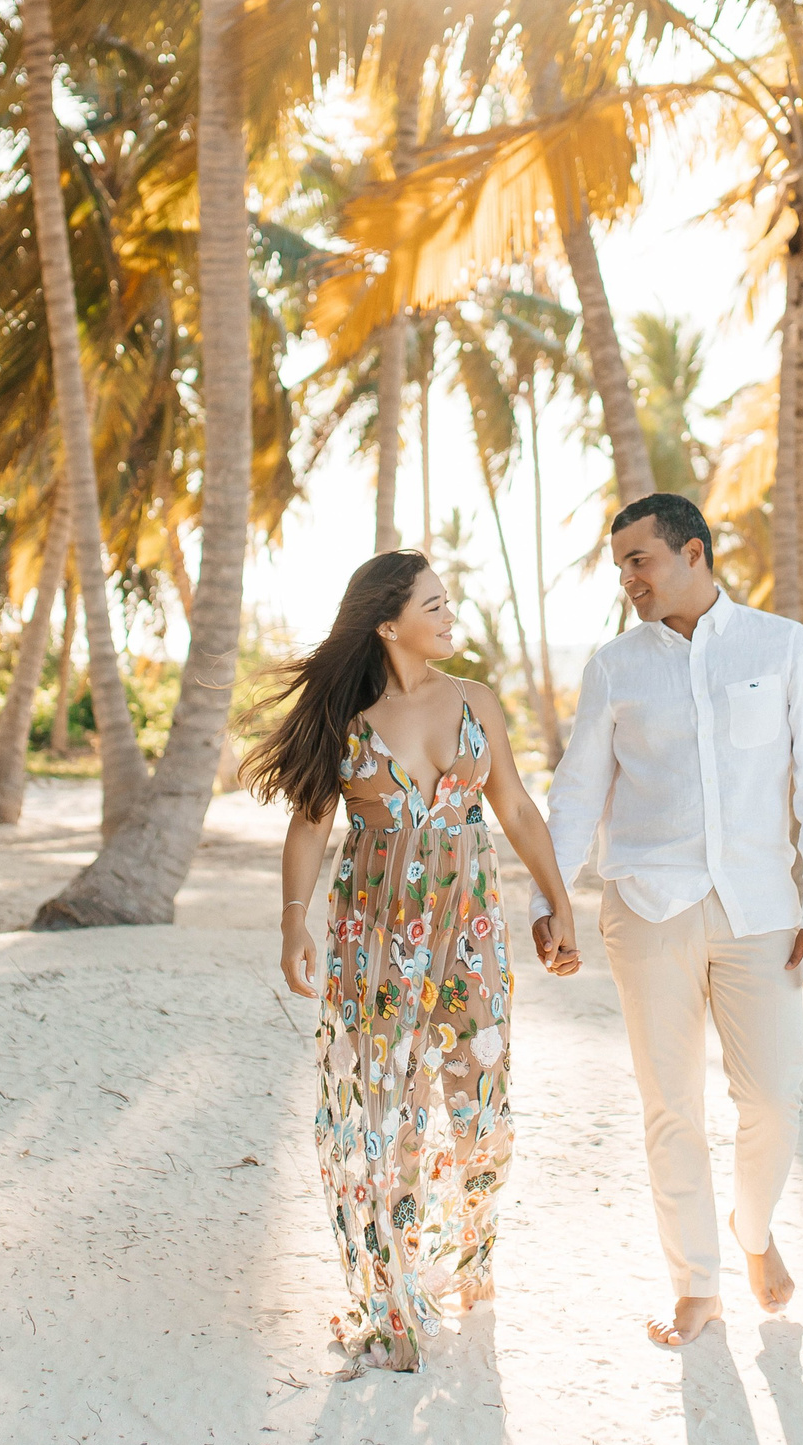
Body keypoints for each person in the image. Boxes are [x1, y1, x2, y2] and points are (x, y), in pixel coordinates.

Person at [247, 549, 581, 1371]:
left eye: (447, 599)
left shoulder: (476, 703)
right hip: (375, 940)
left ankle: (468, 1251)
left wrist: (558, 899)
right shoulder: (348, 719)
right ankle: (392, 1289)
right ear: (389, 624)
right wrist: (295, 920)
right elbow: (310, 825)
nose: (449, 613)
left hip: (470, 938)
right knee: (382, 1113)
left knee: (481, 1106)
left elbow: (515, 808)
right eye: (433, 604)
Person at [546, 492, 803, 1348]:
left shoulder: (782, 647)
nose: (629, 580)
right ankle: (697, 1283)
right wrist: (551, 900)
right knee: (669, 1105)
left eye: (640, 560)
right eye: (621, 567)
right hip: (646, 907)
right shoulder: (614, 665)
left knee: (773, 1102)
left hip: (763, 910)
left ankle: (753, 1233)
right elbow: (576, 794)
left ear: (693, 552)